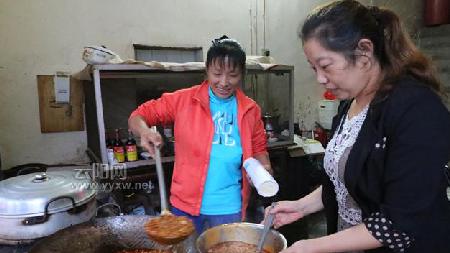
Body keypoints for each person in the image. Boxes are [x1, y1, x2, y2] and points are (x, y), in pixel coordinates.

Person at [264, 1, 450, 252]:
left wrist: (309, 247)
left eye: (326, 65)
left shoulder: (417, 110)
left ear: (364, 52)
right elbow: (346, 181)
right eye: (314, 67)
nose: (320, 78)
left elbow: (399, 224)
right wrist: (301, 206)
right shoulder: (350, 102)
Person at [128, 35, 272, 234]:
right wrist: (144, 131)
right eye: (217, 73)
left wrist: (264, 167)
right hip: (185, 206)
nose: (224, 82)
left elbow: (258, 149)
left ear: (242, 73)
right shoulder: (183, 100)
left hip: (229, 207)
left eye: (232, 75)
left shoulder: (250, 109)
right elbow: (139, 115)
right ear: (206, 70)